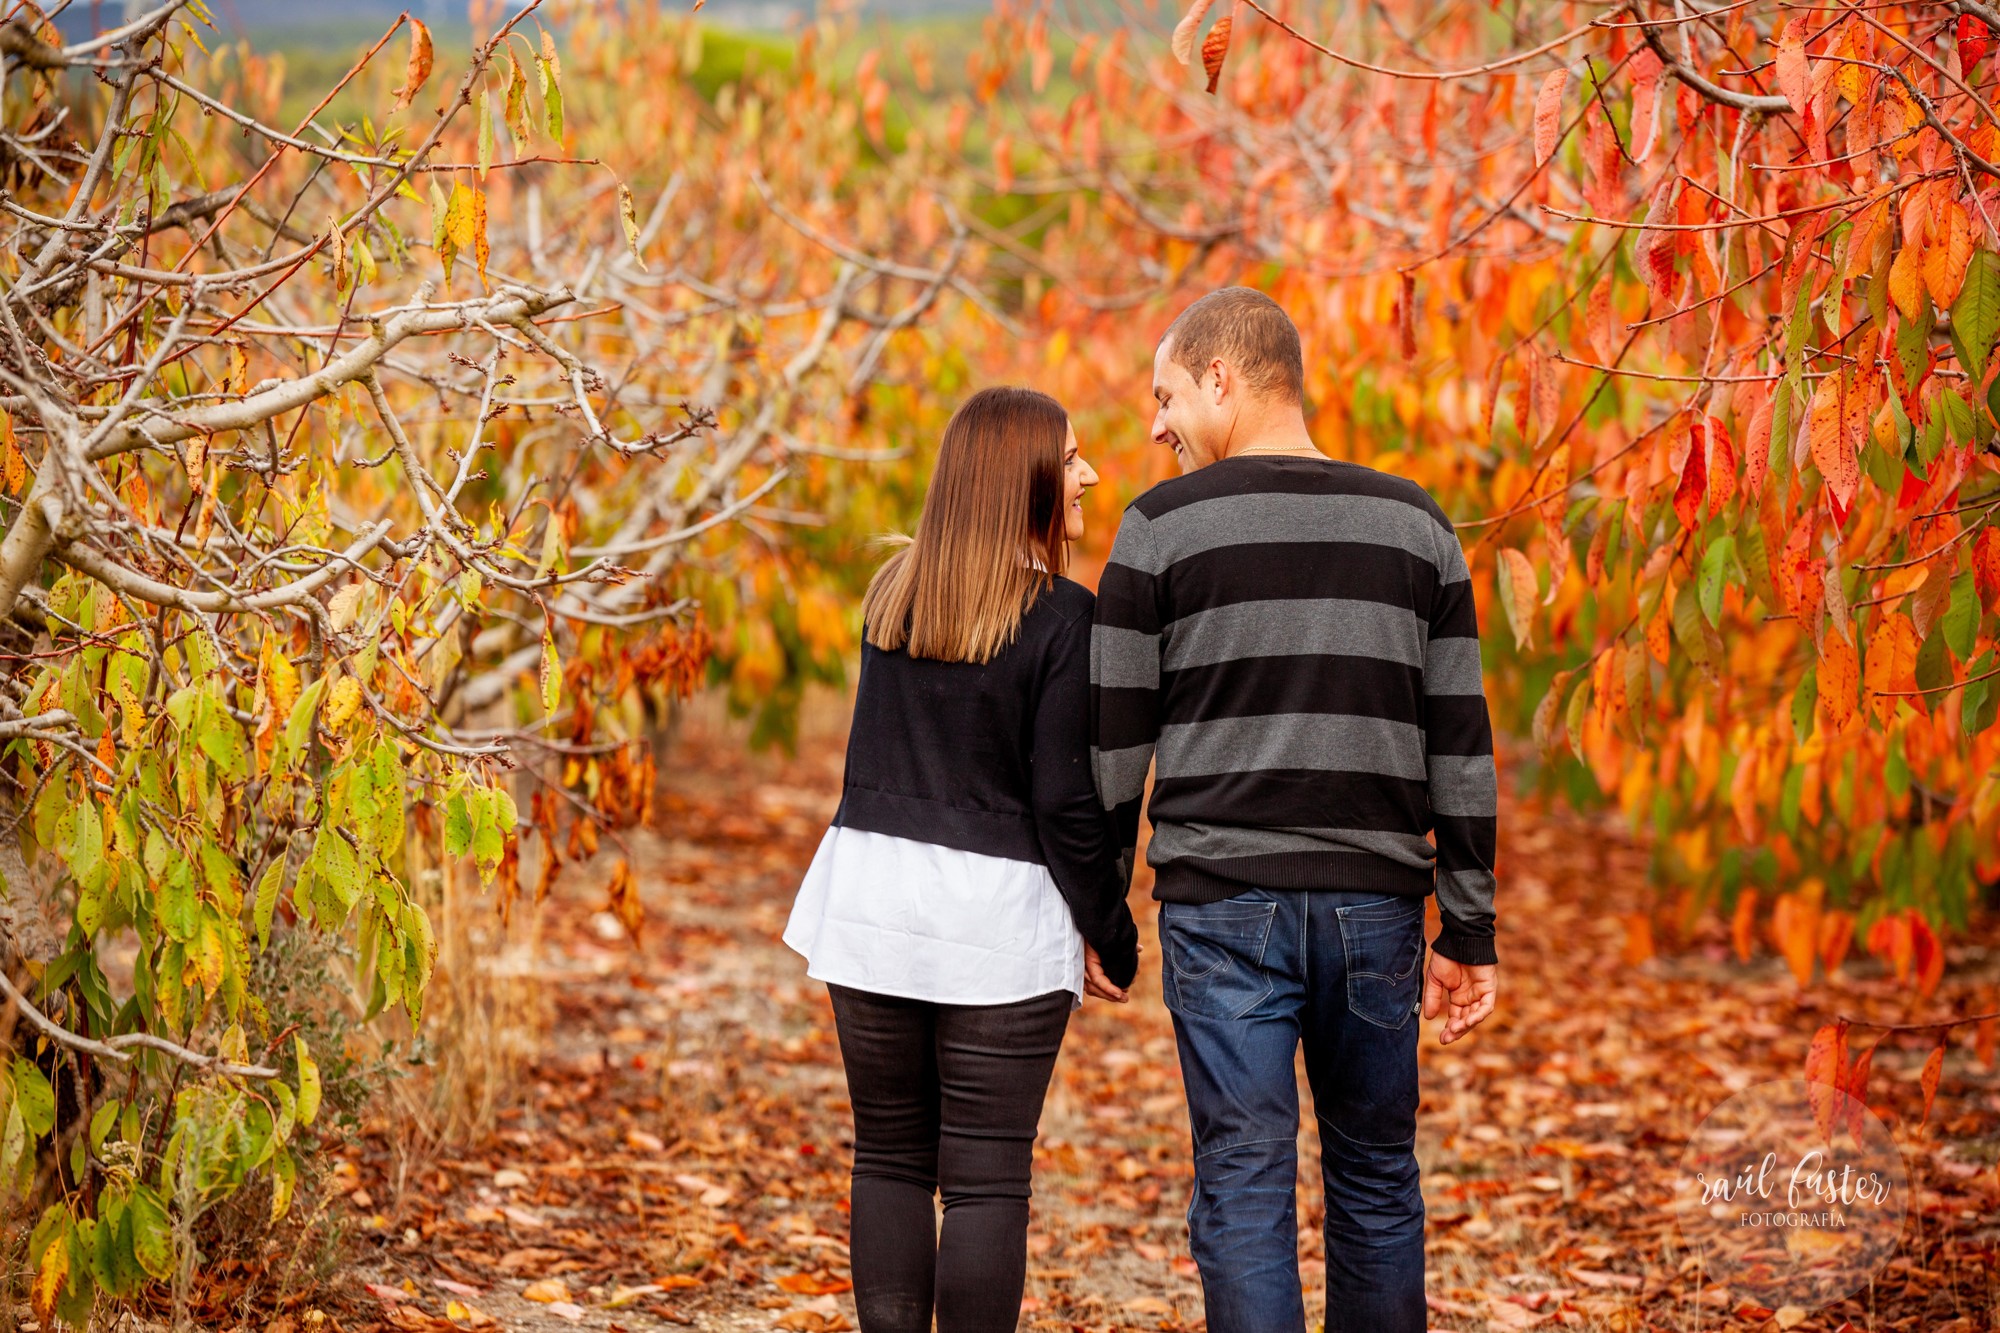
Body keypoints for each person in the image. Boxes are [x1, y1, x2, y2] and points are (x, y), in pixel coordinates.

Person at [1089, 288, 1500, 1333]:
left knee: (1241, 1179)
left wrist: (1099, 911)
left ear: (1221, 378)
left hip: (1221, 909)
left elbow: (1112, 752)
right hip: (1372, 915)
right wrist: (1468, 927)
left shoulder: (1155, 532)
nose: (1154, 424)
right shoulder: (1415, 526)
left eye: (1166, 393)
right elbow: (1456, 740)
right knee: (1372, 1180)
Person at [784, 385, 1141, 1333]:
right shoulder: (1066, 615)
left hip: (869, 893)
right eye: (1070, 460)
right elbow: (1068, 803)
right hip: (995, 916)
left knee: (890, 1156)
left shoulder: (890, 595)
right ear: (1018, 478)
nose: (1089, 476)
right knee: (986, 1179)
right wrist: (1113, 929)